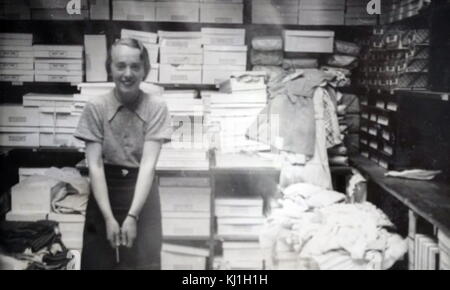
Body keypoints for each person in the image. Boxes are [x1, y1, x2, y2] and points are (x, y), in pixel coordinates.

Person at [74, 38, 172, 269]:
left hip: (141, 192)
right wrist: (108, 217)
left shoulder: (156, 107)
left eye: (135, 67)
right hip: (104, 191)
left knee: (144, 263)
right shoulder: (96, 107)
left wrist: (133, 216)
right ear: (110, 68)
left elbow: (148, 166)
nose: (127, 74)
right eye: (120, 66)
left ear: (144, 70)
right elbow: (95, 166)